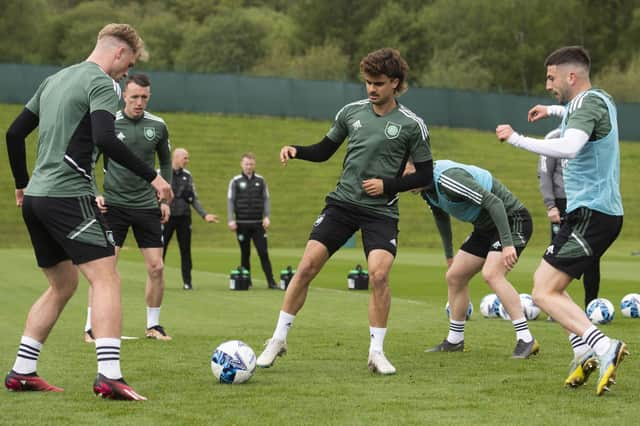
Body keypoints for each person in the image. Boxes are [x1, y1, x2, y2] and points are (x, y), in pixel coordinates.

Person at [4, 23, 172, 400]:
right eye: (128, 63)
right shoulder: (101, 83)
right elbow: (104, 137)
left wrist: (21, 182)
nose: (127, 72)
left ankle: (23, 371)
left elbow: (14, 134)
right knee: (107, 278)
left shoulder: (53, 80)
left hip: (37, 199)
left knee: (63, 284)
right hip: (68, 196)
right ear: (117, 53)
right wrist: (153, 178)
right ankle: (109, 375)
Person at [256, 48, 433, 375]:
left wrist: (388, 185)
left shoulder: (412, 126)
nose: (371, 89)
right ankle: (277, 339)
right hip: (342, 204)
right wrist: (296, 150)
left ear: (395, 83)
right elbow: (324, 151)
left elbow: (425, 175)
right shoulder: (351, 112)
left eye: (378, 83)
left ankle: (376, 352)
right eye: (367, 82)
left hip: (381, 212)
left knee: (379, 275)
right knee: (306, 266)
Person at [496, 45, 628, 395]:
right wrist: (551, 109)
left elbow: (569, 146)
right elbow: (575, 112)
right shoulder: (598, 101)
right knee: (545, 284)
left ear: (572, 76)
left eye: (552, 77)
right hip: (587, 213)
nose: (548, 83)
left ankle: (604, 348)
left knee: (543, 291)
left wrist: (517, 140)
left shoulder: (589, 104)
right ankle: (584, 352)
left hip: (592, 213)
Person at [410, 160, 538, 358]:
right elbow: (441, 217)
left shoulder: (448, 179)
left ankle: (526, 339)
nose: (404, 181)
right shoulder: (426, 189)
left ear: (416, 165)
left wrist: (507, 243)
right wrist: (449, 254)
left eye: (404, 173)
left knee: (492, 274)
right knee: (455, 276)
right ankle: (454, 340)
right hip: (485, 227)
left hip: (512, 220)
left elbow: (494, 202)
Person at [84, 73, 173, 343]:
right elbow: (89, 161)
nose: (139, 102)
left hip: (147, 205)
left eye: (144, 97)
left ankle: (153, 326)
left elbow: (166, 163)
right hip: (114, 206)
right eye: (134, 96)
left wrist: (165, 198)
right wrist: (95, 193)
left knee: (156, 267)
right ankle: (91, 328)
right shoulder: (109, 124)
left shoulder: (158, 126)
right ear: (124, 95)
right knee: (104, 270)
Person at [538, 129, 600, 308]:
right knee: (557, 257)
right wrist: (551, 205)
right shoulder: (552, 137)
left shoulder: (588, 137)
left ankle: (592, 306)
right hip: (562, 203)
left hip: (587, 202)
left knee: (591, 256)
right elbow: (544, 174)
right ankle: (553, 305)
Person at [163, 148, 218, 290]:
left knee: (185, 250)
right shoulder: (162, 173)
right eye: (185, 158)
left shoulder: (188, 176)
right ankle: (157, 281)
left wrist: (204, 215)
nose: (187, 161)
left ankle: (187, 282)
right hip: (165, 218)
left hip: (184, 217)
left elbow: (194, 198)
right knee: (160, 249)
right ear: (176, 157)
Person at [227, 153, 278, 289]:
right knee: (245, 253)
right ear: (241, 164)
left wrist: (266, 216)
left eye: (251, 164)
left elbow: (266, 199)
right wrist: (231, 219)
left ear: (254, 165)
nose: (248, 166)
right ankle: (246, 281)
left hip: (258, 223)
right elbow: (230, 200)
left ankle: (271, 281)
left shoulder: (261, 181)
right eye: (246, 164)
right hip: (242, 223)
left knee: (263, 252)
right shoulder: (235, 181)